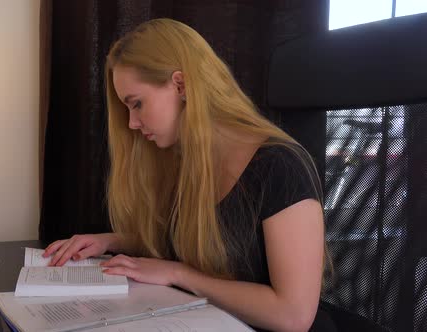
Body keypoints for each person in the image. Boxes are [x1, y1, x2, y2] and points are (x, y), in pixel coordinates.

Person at [43, 18, 333, 332]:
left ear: (181, 86)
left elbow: (293, 315)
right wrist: (110, 242)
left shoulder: (281, 167)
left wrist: (178, 274)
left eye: (137, 104)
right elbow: (202, 241)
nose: (132, 124)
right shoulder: (185, 159)